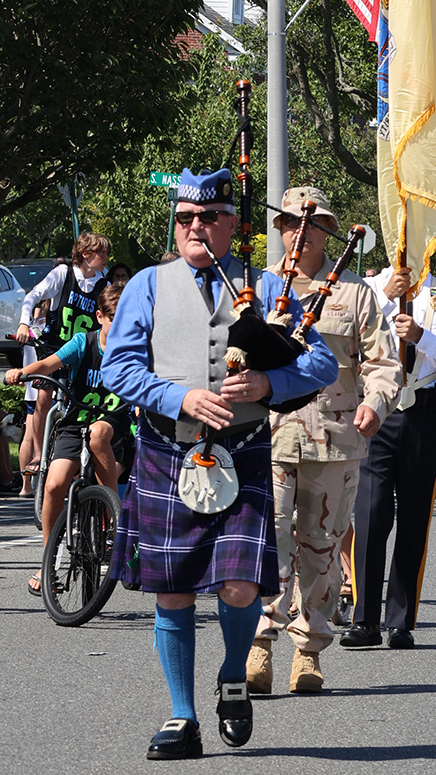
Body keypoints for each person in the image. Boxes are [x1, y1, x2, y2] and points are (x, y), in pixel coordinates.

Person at [101, 167, 340, 761]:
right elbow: (118, 369)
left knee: (238, 586)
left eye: (208, 217)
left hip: (243, 450)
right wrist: (179, 396)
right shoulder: (148, 286)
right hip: (167, 448)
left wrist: (269, 379)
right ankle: (182, 716)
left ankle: (233, 676)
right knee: (174, 592)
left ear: (232, 223)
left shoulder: (269, 287)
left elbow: (322, 367)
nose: (195, 228)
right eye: (184, 218)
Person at [245, 187, 399, 695]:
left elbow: (382, 363)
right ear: (280, 229)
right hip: (266, 437)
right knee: (265, 541)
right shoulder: (261, 289)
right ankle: (258, 642)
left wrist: (375, 403)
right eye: (290, 223)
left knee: (322, 547)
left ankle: (308, 650)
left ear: (327, 231)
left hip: (334, 440)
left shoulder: (355, 294)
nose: (300, 231)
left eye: (311, 223)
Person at [340, 261, 436, 649]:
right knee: (369, 513)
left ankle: (401, 620)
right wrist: (386, 295)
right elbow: (350, 337)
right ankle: (364, 618)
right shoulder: (366, 288)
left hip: (425, 412)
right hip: (375, 410)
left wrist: (421, 336)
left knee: (415, 517)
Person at [6, 282, 130, 593]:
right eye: (114, 319)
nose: (121, 327)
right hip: (77, 423)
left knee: (99, 432)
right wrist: (23, 373)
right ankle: (48, 561)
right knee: (54, 484)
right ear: (99, 316)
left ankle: (115, 523)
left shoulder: (135, 348)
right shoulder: (82, 343)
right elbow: (49, 363)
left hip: (114, 423)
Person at [15, 234, 110, 481]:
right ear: (87, 254)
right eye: (102, 253)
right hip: (55, 347)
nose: (106, 258)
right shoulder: (63, 274)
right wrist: (25, 324)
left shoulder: (104, 282)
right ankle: (38, 454)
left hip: (82, 351)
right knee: (44, 399)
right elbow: (32, 296)